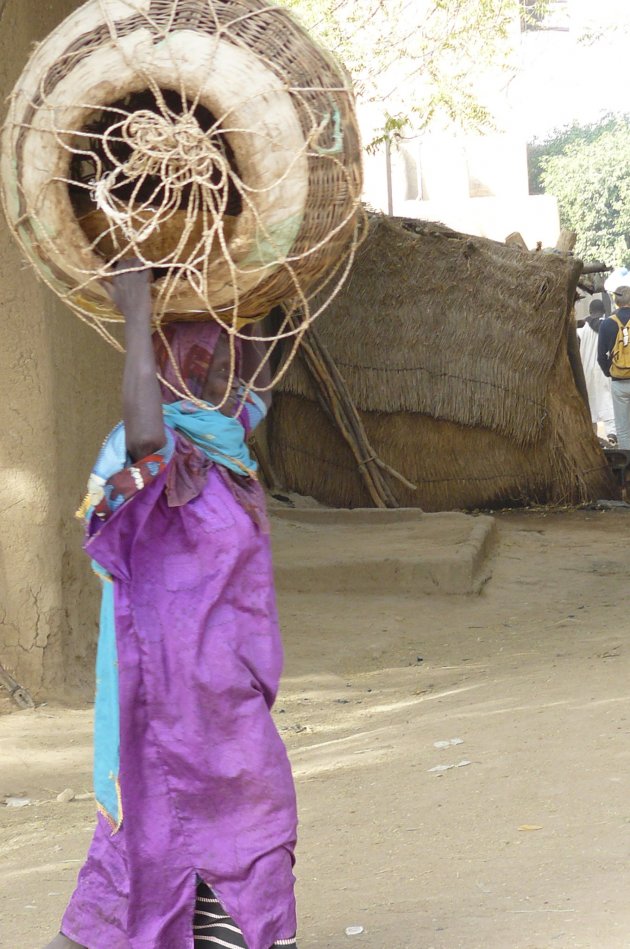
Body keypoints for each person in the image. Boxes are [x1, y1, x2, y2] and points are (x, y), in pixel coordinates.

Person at [44, 262, 298, 949]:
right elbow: (147, 433)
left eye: (230, 357)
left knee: (222, 828)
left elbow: (264, 377)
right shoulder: (154, 454)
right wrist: (135, 313)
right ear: (172, 367)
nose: (227, 372)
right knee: (182, 828)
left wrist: (273, 275)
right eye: (209, 359)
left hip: (228, 695)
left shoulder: (226, 440)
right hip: (171, 702)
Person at [577, 299, 617, 444]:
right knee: (607, 399)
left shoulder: (582, 329)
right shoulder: (607, 325)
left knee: (590, 400)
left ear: (590, 311)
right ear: (604, 311)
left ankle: (591, 434)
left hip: (586, 370)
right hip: (603, 369)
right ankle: (612, 433)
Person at [598, 283, 630, 450]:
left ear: (616, 302)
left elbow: (600, 356)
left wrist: (610, 372)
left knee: (623, 429)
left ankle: (628, 468)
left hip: (618, 381)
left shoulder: (607, 323)